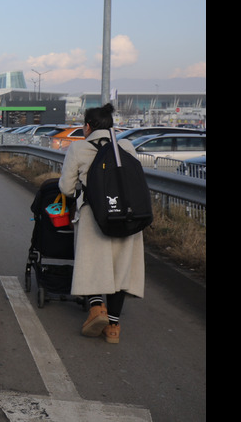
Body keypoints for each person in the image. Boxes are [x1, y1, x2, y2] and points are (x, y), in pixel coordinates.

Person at [58, 103, 145, 344]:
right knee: (120, 270)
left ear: (87, 126)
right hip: (127, 218)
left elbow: (65, 188)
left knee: (93, 265)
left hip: (94, 217)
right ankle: (114, 328)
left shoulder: (78, 148)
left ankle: (97, 309)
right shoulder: (125, 146)